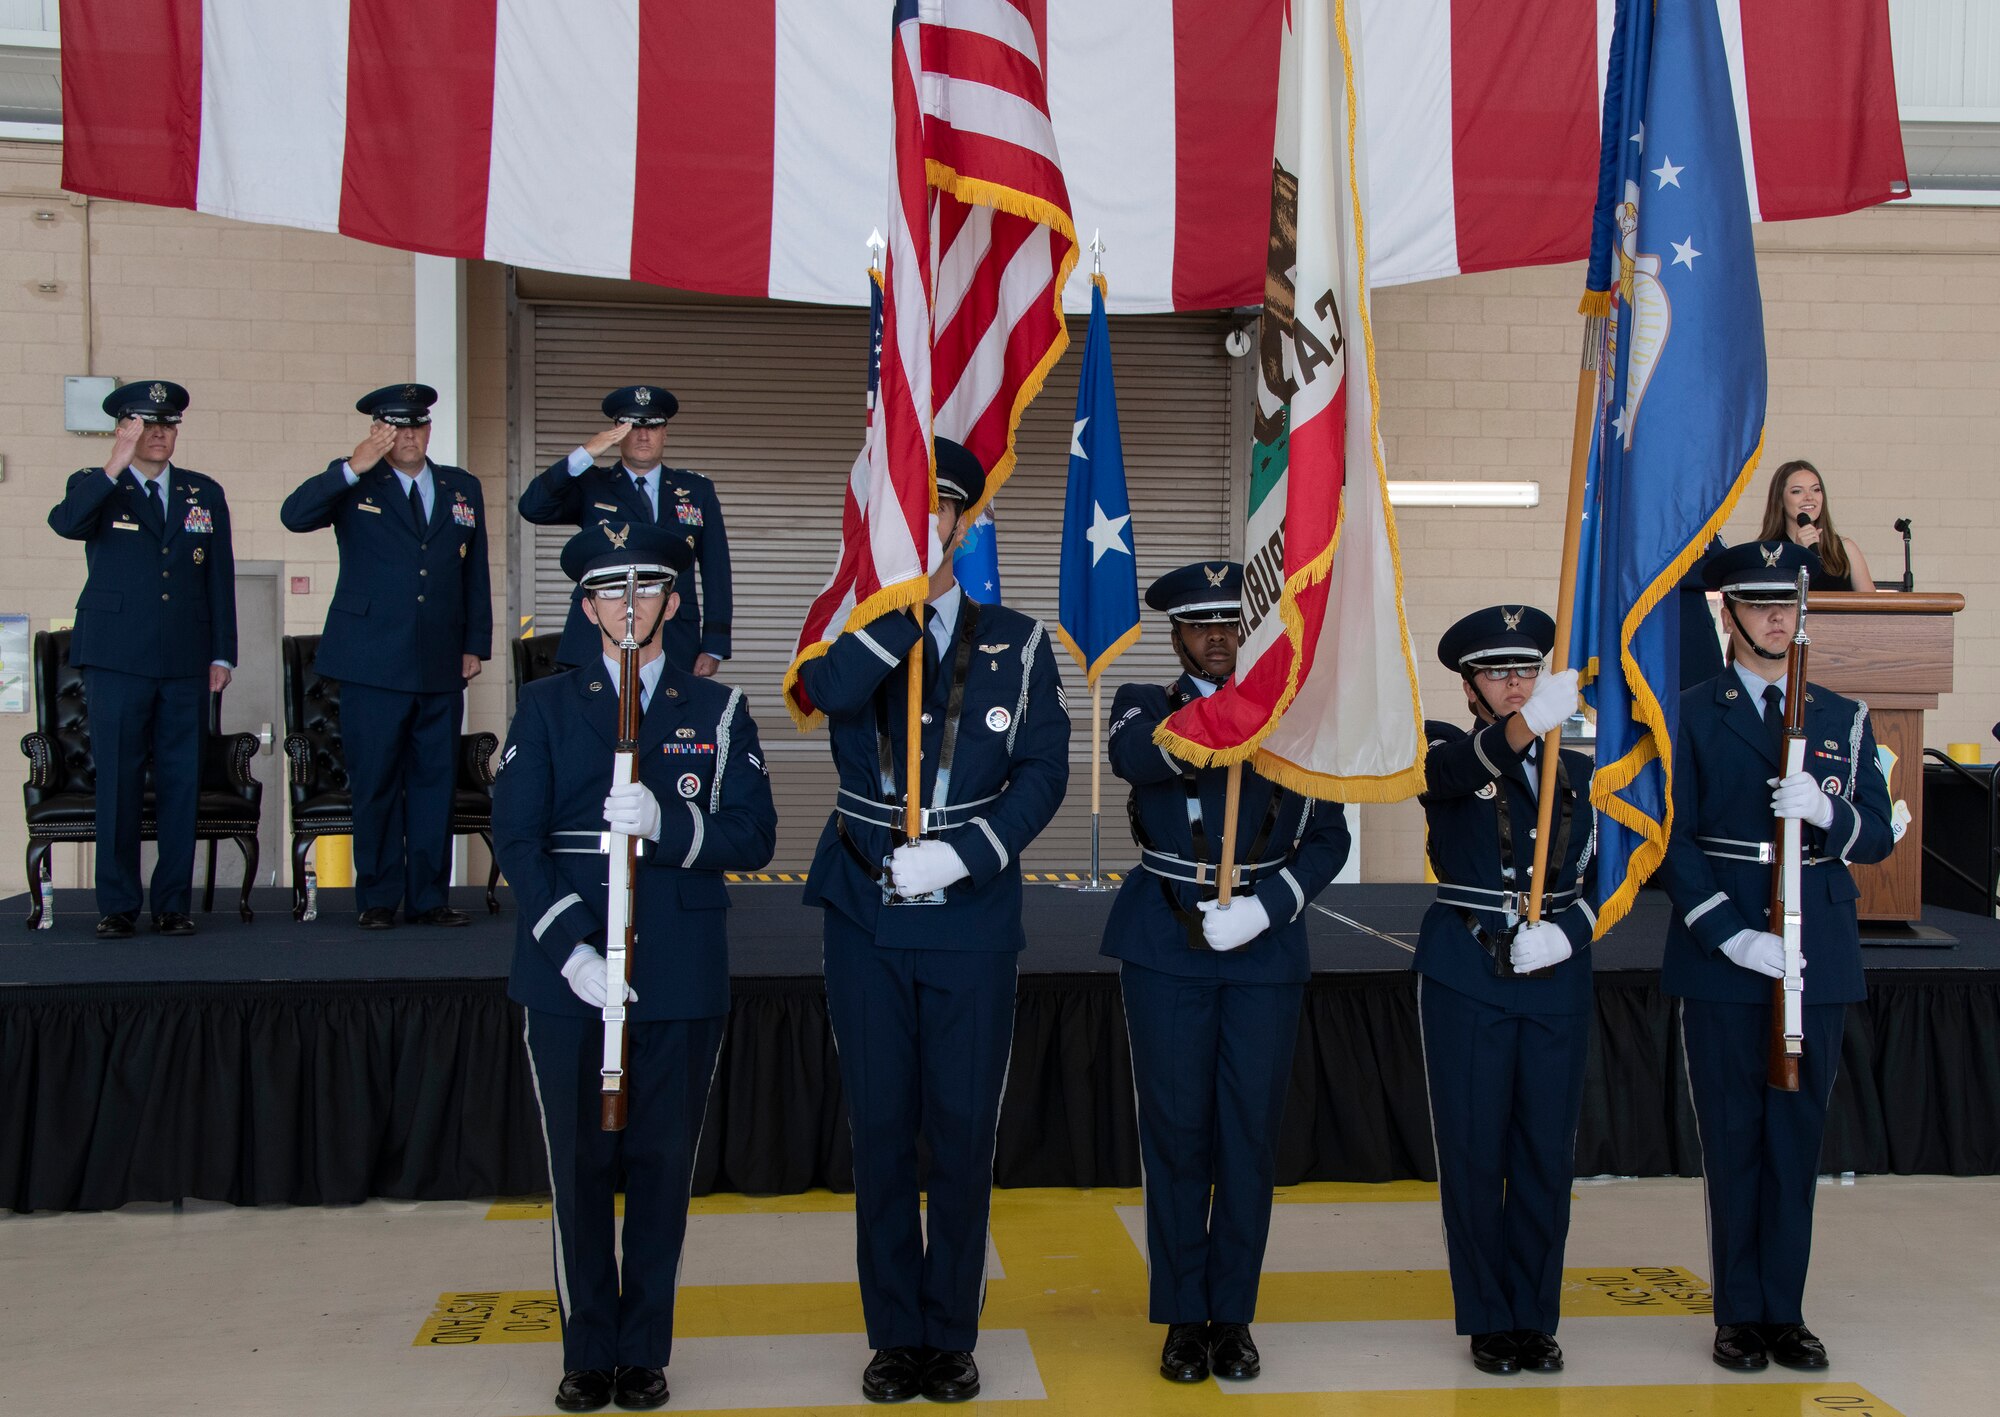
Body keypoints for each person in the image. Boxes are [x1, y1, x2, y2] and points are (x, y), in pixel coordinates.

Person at [793, 438, 1069, 1404]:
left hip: (969, 911)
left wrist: (968, 849)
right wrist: (895, 616)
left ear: (965, 521)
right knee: (879, 1128)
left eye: (940, 513)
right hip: (864, 906)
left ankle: (949, 1330)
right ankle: (893, 1334)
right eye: (908, 514)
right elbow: (823, 694)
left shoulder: (1019, 641)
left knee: (958, 1128)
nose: (925, 528)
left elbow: (1044, 771)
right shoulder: (850, 627)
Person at [494, 521, 777, 1413]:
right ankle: (588, 1349)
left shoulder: (718, 711)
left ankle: (644, 1349)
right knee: (578, 1167)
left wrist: (668, 824)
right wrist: (572, 947)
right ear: (586, 606)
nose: (628, 606)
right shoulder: (544, 706)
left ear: (673, 601)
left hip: (680, 972)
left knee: (661, 1166)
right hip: (569, 975)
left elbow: (755, 833)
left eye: (645, 589)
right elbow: (517, 839)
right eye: (609, 592)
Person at [1102, 561, 1351, 1385]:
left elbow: (1329, 839)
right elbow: (1137, 758)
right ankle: (1181, 1315)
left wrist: (1270, 904)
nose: (1217, 638)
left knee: (1247, 1136)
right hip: (1168, 939)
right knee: (1176, 1135)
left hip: (1261, 945)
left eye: (1230, 623)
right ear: (1176, 634)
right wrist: (1236, 716)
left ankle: (1232, 1315)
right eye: (1201, 625)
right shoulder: (1146, 699)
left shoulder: (1299, 711)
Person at [1656, 539, 1894, 1373]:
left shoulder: (1841, 715)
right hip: (1726, 947)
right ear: (1729, 613)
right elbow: (1672, 842)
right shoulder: (1687, 709)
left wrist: (1828, 816)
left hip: (1815, 946)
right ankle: (1738, 1314)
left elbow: (1879, 832)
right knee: (1733, 1137)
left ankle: (1784, 1311)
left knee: (1797, 1137)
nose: (1775, 618)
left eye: (1787, 606)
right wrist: (1730, 932)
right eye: (1758, 605)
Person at [1415, 606, 1593, 1377]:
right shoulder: (1440, 745)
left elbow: (1604, 872)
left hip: (1554, 966)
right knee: (1475, 1150)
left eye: (1527, 671)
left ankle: (1534, 1314)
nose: (1517, 685)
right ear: (1469, 688)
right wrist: (1526, 730)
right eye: (1498, 673)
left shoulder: (1579, 768)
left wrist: (1571, 931)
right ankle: (1489, 1316)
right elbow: (1453, 777)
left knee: (1545, 1152)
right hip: (1469, 969)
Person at [280, 384, 491, 929]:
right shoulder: (354, 480)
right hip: (371, 661)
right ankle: (376, 897)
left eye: (417, 426)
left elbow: (475, 572)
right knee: (374, 782)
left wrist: (475, 643)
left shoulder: (460, 487)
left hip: (440, 660)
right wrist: (354, 464)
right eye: (397, 428)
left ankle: (429, 898)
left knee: (434, 783)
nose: (410, 436)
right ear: (380, 431)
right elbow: (294, 516)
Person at [48, 380, 236, 938]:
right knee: (120, 783)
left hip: (184, 658)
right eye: (146, 425)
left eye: (168, 425)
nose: (159, 434)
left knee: (182, 782)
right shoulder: (95, 484)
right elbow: (65, 524)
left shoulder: (202, 492)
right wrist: (115, 464)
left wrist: (222, 652)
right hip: (116, 659)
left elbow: (219, 578)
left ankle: (173, 903)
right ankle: (118, 905)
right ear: (124, 429)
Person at [517, 385, 732, 675]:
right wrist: (585, 453)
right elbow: (532, 507)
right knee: (596, 717)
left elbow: (717, 569)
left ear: (665, 432)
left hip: (675, 633)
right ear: (615, 433)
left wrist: (714, 643)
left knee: (669, 717)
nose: (643, 435)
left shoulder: (697, 490)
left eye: (653, 426)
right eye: (632, 426)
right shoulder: (592, 483)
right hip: (597, 631)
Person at [1756, 459, 1875, 593]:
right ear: (1780, 500)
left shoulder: (1845, 548)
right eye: (1797, 491)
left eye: (1816, 490)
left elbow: (1872, 607)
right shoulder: (1765, 551)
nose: (1809, 497)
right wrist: (1799, 553)